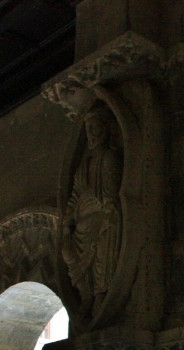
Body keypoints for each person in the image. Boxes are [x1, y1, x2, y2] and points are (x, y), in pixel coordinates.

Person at [62, 107, 123, 314]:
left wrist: (105, 209)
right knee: (67, 251)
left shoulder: (108, 157)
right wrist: (69, 216)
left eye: (96, 128)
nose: (92, 134)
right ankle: (85, 294)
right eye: (89, 129)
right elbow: (76, 194)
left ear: (106, 131)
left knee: (102, 255)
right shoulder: (84, 165)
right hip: (82, 221)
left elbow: (110, 192)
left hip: (101, 217)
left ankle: (99, 295)